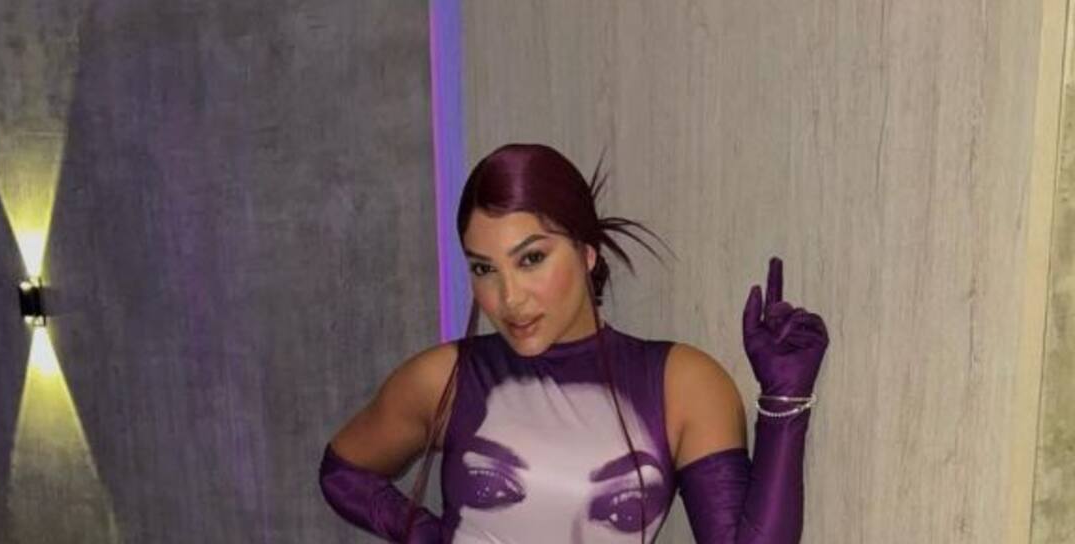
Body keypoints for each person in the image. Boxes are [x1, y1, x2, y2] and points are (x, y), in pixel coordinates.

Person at [319, 143, 830, 543]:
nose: (509, 298)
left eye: (531, 259)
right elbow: (343, 472)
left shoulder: (682, 384)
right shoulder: (443, 379)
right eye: (484, 269)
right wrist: (431, 536)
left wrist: (784, 400)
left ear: (586, 252)